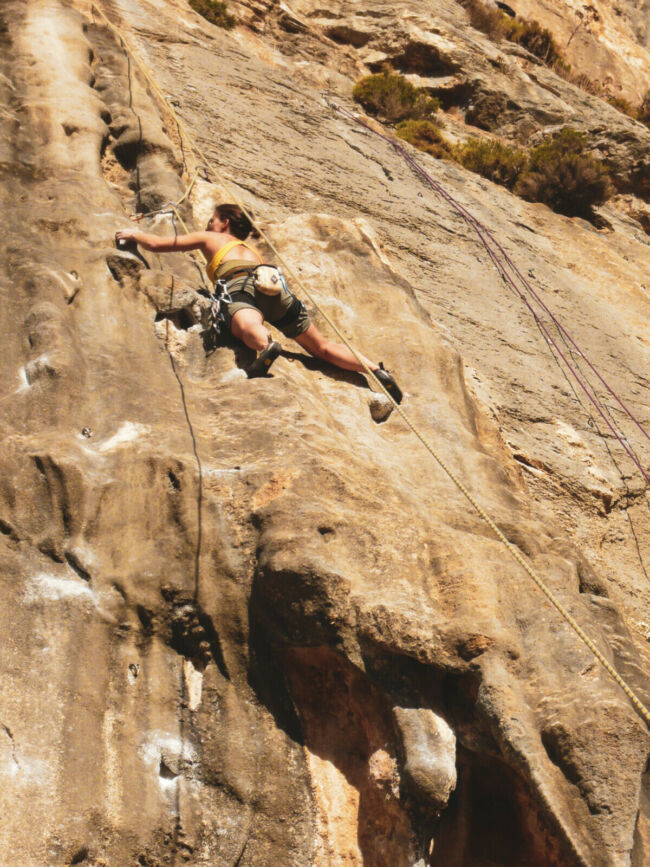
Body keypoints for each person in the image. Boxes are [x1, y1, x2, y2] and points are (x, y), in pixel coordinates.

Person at [115, 204, 402, 401]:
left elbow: (158, 245)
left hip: (241, 285)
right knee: (322, 347)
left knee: (245, 324)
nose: (208, 224)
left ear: (224, 223)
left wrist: (134, 234)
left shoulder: (212, 238)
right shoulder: (251, 249)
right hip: (275, 289)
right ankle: (375, 370)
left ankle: (266, 347)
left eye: (212, 220)